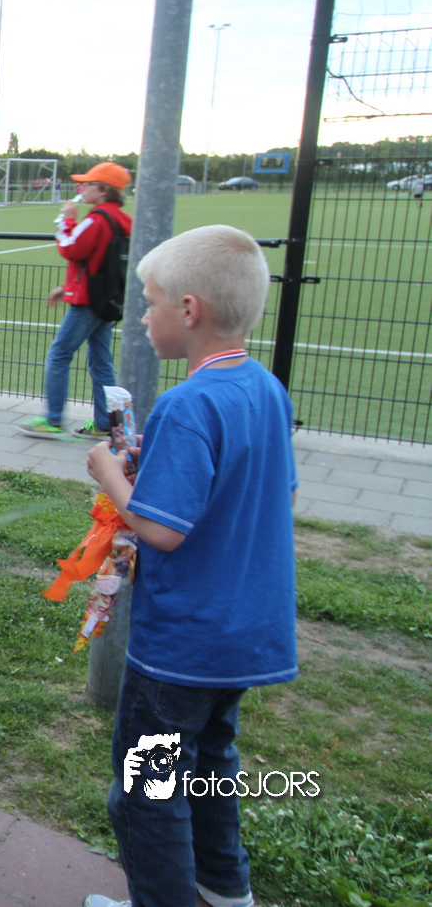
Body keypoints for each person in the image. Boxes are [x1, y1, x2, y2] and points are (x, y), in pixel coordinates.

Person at [82, 225, 295, 907]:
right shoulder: (266, 390)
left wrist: (110, 475)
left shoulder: (187, 404)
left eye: (149, 302)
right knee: (208, 767)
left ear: (189, 309)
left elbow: (161, 530)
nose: (142, 317)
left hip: (181, 647)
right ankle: (224, 889)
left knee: (146, 794)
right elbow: (273, 491)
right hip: (245, 637)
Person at [18, 161, 133, 440]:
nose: (82, 189)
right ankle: (107, 424)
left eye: (88, 184)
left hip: (88, 303)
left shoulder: (97, 219)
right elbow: (97, 262)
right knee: (101, 362)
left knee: (59, 354)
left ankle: (53, 420)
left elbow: (70, 247)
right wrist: (66, 287)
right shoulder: (121, 219)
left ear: (103, 190)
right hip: (106, 300)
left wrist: (67, 219)